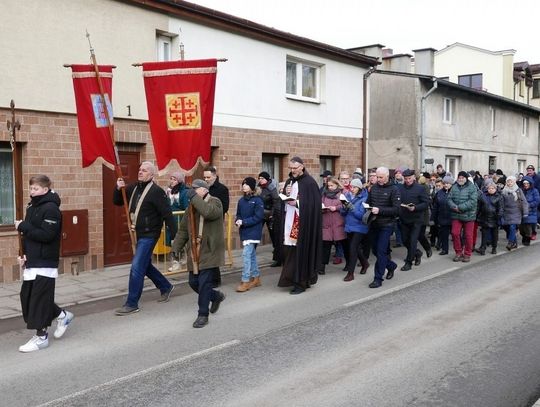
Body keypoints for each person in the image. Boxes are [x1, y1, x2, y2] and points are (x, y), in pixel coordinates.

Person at [15, 175, 74, 352]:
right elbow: (27, 236)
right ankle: (63, 315)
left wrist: (23, 226)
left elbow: (47, 235)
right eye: (31, 188)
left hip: (45, 261)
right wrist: (23, 255)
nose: (32, 192)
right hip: (32, 259)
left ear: (45, 189)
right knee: (27, 296)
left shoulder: (51, 209)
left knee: (38, 299)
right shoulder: (32, 207)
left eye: (36, 189)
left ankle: (41, 337)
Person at [113, 161, 177, 316]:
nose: (140, 172)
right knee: (144, 265)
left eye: (144, 170)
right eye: (140, 169)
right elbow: (118, 201)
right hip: (137, 233)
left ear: (152, 174)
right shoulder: (133, 187)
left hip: (149, 234)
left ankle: (132, 303)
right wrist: (117, 188)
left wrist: (175, 236)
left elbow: (167, 214)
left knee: (136, 267)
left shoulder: (157, 192)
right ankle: (165, 286)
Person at [172, 179, 226, 328]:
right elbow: (183, 229)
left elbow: (208, 212)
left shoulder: (215, 202)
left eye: (195, 189)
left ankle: (203, 314)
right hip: (194, 251)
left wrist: (194, 198)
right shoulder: (192, 206)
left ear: (204, 190)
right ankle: (216, 296)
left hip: (209, 250)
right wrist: (176, 247)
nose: (192, 193)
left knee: (204, 283)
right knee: (193, 282)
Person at [278, 156, 322, 294]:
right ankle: (297, 279)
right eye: (290, 168)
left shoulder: (309, 183)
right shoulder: (290, 181)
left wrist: (297, 203)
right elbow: (284, 199)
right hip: (290, 220)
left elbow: (313, 205)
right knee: (291, 252)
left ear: (302, 167)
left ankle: (301, 283)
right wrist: (285, 194)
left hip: (303, 224)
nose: (292, 171)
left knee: (301, 253)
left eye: (295, 168)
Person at [366, 167, 400, 288]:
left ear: (387, 176)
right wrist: (367, 207)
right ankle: (391, 266)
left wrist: (380, 210)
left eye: (380, 177)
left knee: (381, 251)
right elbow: (368, 202)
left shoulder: (394, 189)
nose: (378, 179)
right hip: (374, 223)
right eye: (377, 177)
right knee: (375, 250)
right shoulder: (373, 188)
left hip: (387, 224)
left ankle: (378, 278)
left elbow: (397, 209)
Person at [235, 177, 265, 292]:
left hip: (254, 231)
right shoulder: (241, 201)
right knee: (251, 255)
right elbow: (238, 214)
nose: (244, 186)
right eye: (243, 184)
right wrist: (237, 220)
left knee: (246, 255)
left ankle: (245, 280)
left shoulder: (258, 200)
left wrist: (244, 222)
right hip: (244, 231)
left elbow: (258, 217)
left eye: (246, 184)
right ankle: (256, 277)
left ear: (252, 187)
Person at [397, 169, 430, 271]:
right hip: (404, 219)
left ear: (414, 178)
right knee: (404, 240)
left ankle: (409, 262)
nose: (407, 180)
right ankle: (417, 253)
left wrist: (415, 208)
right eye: (406, 179)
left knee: (412, 240)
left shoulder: (420, 188)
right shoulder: (400, 188)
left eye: (409, 178)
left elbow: (425, 203)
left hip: (416, 219)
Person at [203, 165, 229, 288]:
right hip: (203, 223)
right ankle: (206, 276)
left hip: (216, 224)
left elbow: (225, 207)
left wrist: (211, 210)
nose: (206, 179)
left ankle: (215, 279)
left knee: (214, 250)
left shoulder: (222, 189)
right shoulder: (203, 189)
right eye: (204, 177)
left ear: (214, 176)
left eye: (208, 177)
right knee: (206, 250)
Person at [341, 178, 370, 282]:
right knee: (355, 248)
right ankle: (365, 263)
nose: (352, 189)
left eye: (354, 187)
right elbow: (342, 213)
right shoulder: (347, 196)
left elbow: (361, 216)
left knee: (353, 248)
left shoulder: (365, 198)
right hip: (349, 226)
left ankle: (350, 273)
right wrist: (344, 207)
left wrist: (351, 207)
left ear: (359, 188)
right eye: (351, 187)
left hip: (359, 227)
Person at [447, 171, 479, 262]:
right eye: (459, 178)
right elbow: (449, 198)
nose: (460, 179)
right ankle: (458, 252)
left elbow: (473, 201)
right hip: (456, 215)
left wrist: (460, 207)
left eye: (462, 178)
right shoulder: (454, 187)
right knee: (455, 233)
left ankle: (467, 254)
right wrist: (454, 206)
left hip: (469, 216)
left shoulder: (472, 187)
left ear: (466, 178)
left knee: (468, 235)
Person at [320, 177, 347, 275]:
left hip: (338, 224)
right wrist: (323, 208)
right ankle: (321, 267)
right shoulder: (324, 195)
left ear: (337, 185)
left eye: (332, 185)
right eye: (329, 186)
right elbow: (320, 204)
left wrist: (336, 208)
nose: (330, 187)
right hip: (326, 224)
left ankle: (348, 264)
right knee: (325, 246)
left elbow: (346, 206)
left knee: (344, 244)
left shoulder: (341, 194)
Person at [258, 171, 282, 267]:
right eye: (259, 178)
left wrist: (272, 215)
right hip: (260, 214)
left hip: (270, 214)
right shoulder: (258, 188)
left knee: (274, 236)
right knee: (255, 233)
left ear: (267, 179)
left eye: (262, 178)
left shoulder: (271, 188)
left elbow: (276, 202)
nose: (260, 180)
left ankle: (278, 258)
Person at [166, 171, 189, 272]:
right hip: (170, 220)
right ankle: (178, 259)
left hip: (180, 220)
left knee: (178, 241)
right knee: (172, 241)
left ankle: (177, 262)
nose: (172, 181)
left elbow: (186, 207)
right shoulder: (168, 191)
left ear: (179, 181)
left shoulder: (184, 192)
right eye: (171, 179)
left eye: (174, 179)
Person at [500, 175, 528, 251]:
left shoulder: (518, 191)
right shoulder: (503, 191)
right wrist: (501, 213)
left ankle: (510, 242)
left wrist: (525, 212)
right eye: (508, 181)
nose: (509, 183)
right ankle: (514, 243)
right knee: (508, 228)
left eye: (511, 181)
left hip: (516, 212)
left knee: (512, 227)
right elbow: (501, 203)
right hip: (507, 212)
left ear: (514, 182)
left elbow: (524, 202)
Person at [476, 180, 503, 255]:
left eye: (492, 188)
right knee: (484, 234)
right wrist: (477, 216)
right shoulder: (483, 196)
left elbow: (501, 208)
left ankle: (494, 248)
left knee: (494, 235)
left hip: (494, 218)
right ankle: (483, 248)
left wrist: (498, 216)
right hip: (484, 218)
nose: (491, 190)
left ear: (495, 189)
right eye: (489, 188)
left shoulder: (499, 197)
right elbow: (479, 207)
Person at [431, 175, 453, 255]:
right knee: (444, 235)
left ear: (451, 184)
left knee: (455, 234)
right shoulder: (439, 193)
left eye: (448, 183)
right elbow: (435, 207)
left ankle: (459, 249)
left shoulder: (455, 192)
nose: (446, 185)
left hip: (453, 217)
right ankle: (444, 249)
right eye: (444, 183)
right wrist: (432, 218)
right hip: (442, 216)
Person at [520, 176, 540, 246]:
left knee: (528, 226)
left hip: (531, 211)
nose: (526, 185)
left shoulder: (535, 191)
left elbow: (537, 201)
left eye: (527, 183)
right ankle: (524, 236)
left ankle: (527, 238)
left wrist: (528, 205)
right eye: (524, 183)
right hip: (521, 211)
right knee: (521, 228)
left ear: (530, 184)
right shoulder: (521, 190)